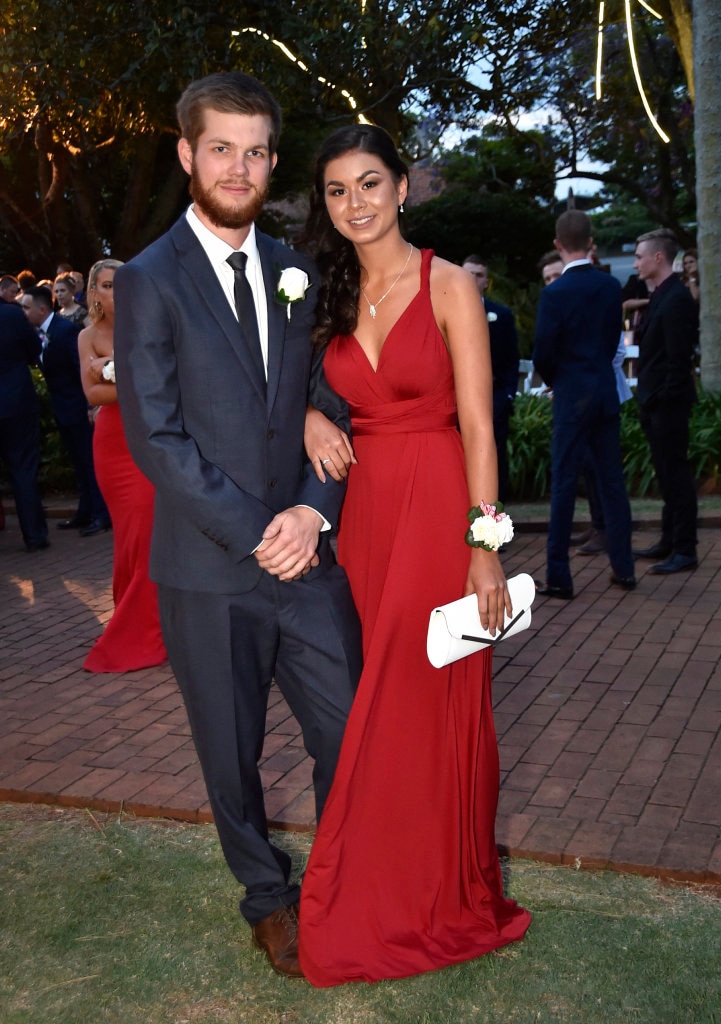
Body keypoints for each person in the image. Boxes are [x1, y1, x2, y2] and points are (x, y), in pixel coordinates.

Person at [112, 71, 362, 979]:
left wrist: (312, 508)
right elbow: (159, 439)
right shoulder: (148, 280)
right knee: (232, 754)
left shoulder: (298, 269)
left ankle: (339, 877)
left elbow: (331, 400)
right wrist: (268, 531)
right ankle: (268, 898)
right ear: (187, 153)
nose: (239, 165)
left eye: (255, 150)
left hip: (309, 560)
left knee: (349, 727)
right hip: (211, 568)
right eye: (220, 146)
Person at [299, 124, 531, 986]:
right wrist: (307, 415)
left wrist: (484, 548)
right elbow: (281, 384)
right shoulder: (323, 292)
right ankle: (392, 879)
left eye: (369, 184)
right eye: (335, 191)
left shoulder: (449, 287)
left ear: (402, 187)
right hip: (360, 517)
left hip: (436, 511)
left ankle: (422, 896)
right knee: (376, 697)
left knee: (416, 705)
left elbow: (479, 426)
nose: (354, 203)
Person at [532, 210, 635, 598]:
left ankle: (559, 575)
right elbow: (613, 341)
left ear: (558, 245)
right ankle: (624, 568)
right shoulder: (611, 287)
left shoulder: (554, 294)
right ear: (590, 242)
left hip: (572, 394)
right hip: (604, 391)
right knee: (612, 482)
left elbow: (543, 351)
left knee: (563, 484)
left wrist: (560, 379)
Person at [78, 259, 167, 672]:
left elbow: (167, 381)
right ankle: (133, 625)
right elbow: (93, 396)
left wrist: (116, 376)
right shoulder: (88, 336)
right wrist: (131, 384)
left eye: (125, 284)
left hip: (150, 440)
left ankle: (152, 625)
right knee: (131, 537)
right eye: (109, 285)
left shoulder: (149, 326)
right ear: (95, 292)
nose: (118, 292)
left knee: (148, 535)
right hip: (114, 447)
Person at [632, 228, 699, 573]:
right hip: (656, 402)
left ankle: (685, 548)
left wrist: (661, 401)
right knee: (667, 473)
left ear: (658, 257)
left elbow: (678, 360)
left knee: (676, 474)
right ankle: (670, 540)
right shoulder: (661, 294)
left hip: (667, 405)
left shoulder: (676, 299)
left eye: (640, 255)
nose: (636, 262)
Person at [19, 285, 111, 536]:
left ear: (41, 308)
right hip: (63, 409)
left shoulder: (66, 331)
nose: (23, 313)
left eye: (26, 307)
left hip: (78, 408)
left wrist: (90, 406)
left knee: (89, 462)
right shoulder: (42, 332)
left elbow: (81, 369)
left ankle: (101, 514)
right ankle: (85, 510)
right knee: (78, 463)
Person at [461, 255, 520, 504]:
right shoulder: (442, 312)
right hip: (455, 406)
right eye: (469, 274)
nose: (473, 280)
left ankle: (494, 530)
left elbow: (511, 360)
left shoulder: (501, 315)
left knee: (496, 466)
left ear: (487, 281)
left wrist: (506, 396)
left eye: (479, 275)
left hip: (494, 403)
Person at [0, 275, 48, 551]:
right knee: (23, 469)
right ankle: (34, 534)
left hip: (14, 400)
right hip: (16, 401)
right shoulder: (12, 316)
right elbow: (35, 349)